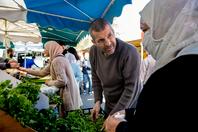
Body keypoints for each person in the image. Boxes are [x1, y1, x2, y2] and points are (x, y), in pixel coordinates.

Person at [104, 0, 198, 131]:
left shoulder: (167, 77)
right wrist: (129, 112)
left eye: (145, 30)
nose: (144, 39)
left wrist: (118, 127)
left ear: (165, 27)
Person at [89, 18, 141, 120]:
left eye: (109, 35)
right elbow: (95, 78)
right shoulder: (93, 52)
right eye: (101, 40)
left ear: (114, 32)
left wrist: (113, 116)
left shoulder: (130, 52)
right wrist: (97, 101)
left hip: (130, 107)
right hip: (110, 105)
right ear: (94, 42)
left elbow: (130, 89)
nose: (108, 43)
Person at [19, 41, 82, 116]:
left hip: (67, 93)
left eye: (45, 48)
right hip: (68, 92)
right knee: (69, 117)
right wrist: (25, 70)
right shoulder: (55, 59)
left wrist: (49, 82)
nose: (44, 50)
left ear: (51, 49)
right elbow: (42, 73)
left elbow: (62, 81)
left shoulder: (57, 60)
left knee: (68, 117)